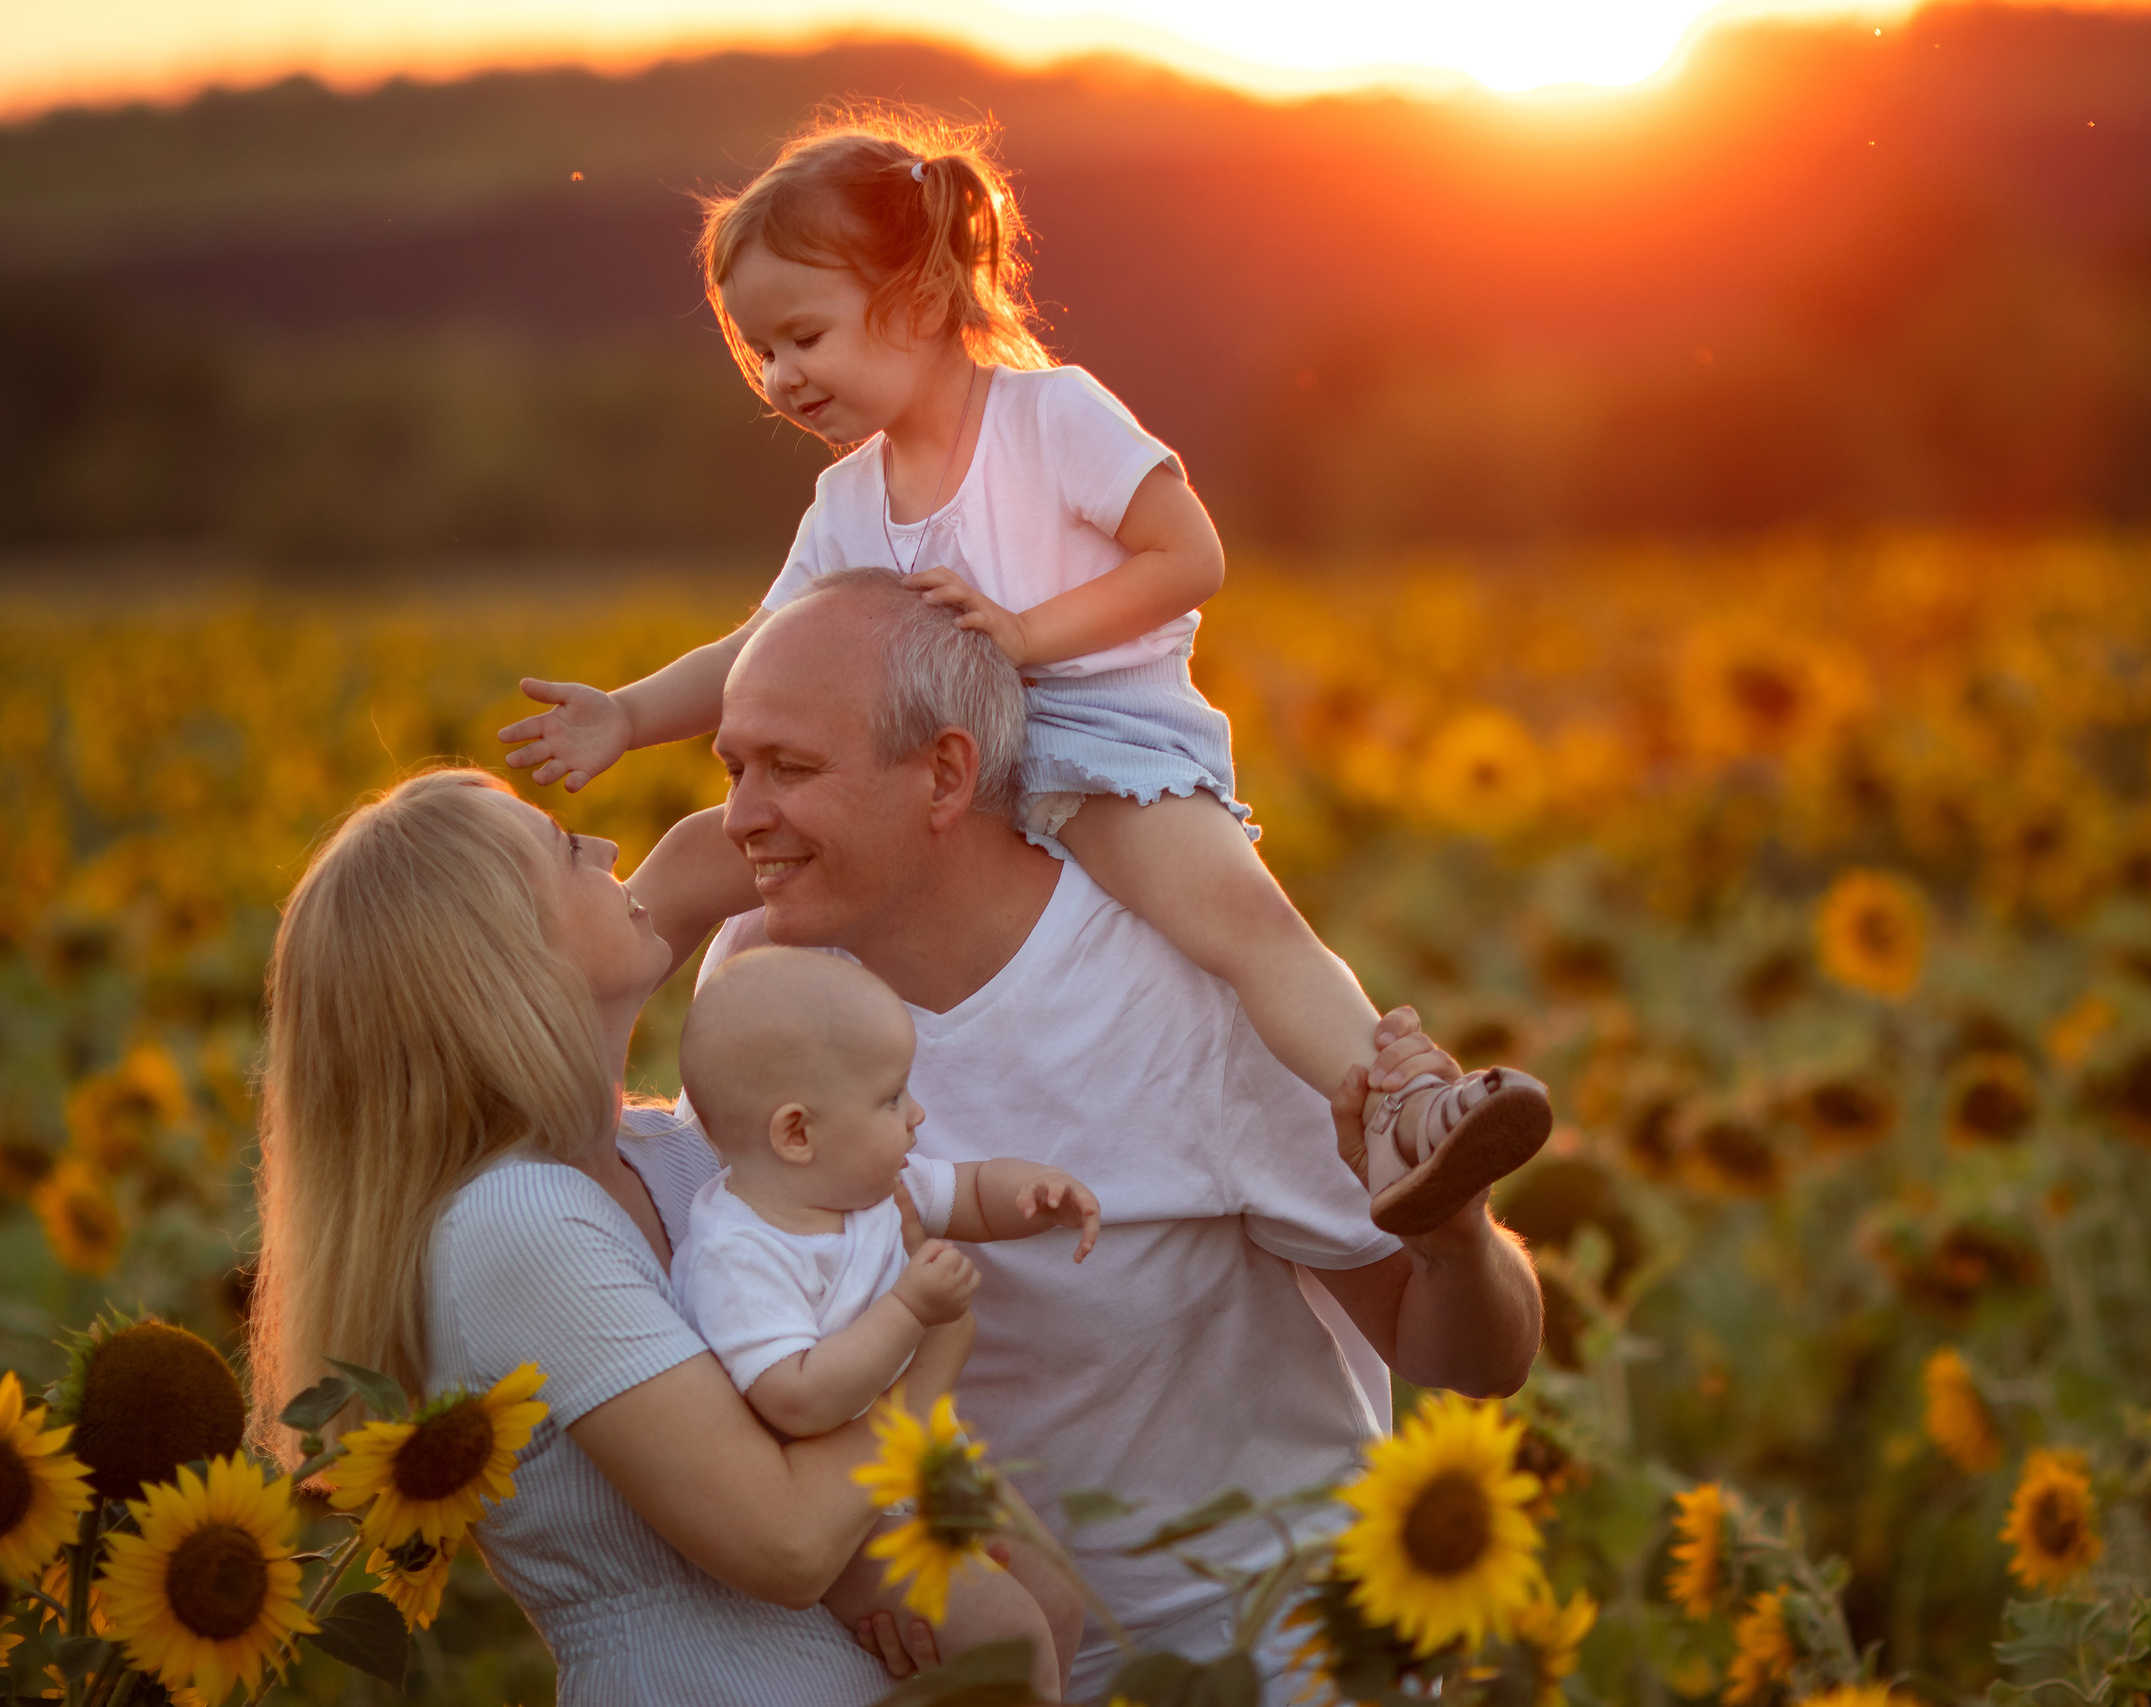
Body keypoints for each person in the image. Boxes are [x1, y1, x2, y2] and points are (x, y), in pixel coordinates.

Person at [496, 109, 1549, 1234]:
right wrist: (629, 713)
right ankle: (551, 1080)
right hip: (926, 767)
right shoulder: (848, 499)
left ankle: (1397, 1110)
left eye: (804, 336)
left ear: (919, 300)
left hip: (1099, 741)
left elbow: (1188, 557)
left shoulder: (1051, 416)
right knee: (692, 857)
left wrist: (1027, 636)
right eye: (761, 352)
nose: (782, 375)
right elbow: (760, 647)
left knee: (1236, 919)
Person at [634, 569, 1545, 1695]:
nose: (739, 817)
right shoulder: (765, 974)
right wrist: (860, 1568)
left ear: (946, 774)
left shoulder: (1187, 990)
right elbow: (747, 1286)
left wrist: (1455, 1237)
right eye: (733, 767)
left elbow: (1467, 1360)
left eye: (792, 768)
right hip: (987, 1661)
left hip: (1269, 1651)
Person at [247, 768, 910, 1705]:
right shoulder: (516, 1221)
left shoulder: (671, 1153)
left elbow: (695, 859)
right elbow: (789, 1542)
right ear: (498, 956)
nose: (607, 853)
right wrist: (930, 1348)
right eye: (566, 847)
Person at [671, 944, 1098, 1697]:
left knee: (1060, 1598)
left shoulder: (866, 1184)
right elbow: (793, 1397)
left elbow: (963, 1192)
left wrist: (1029, 1192)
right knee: (1007, 1636)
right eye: (893, 1097)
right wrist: (909, 1310)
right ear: (796, 1133)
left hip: (931, 1460)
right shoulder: (740, 1254)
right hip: (851, 1511)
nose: (918, 1113)